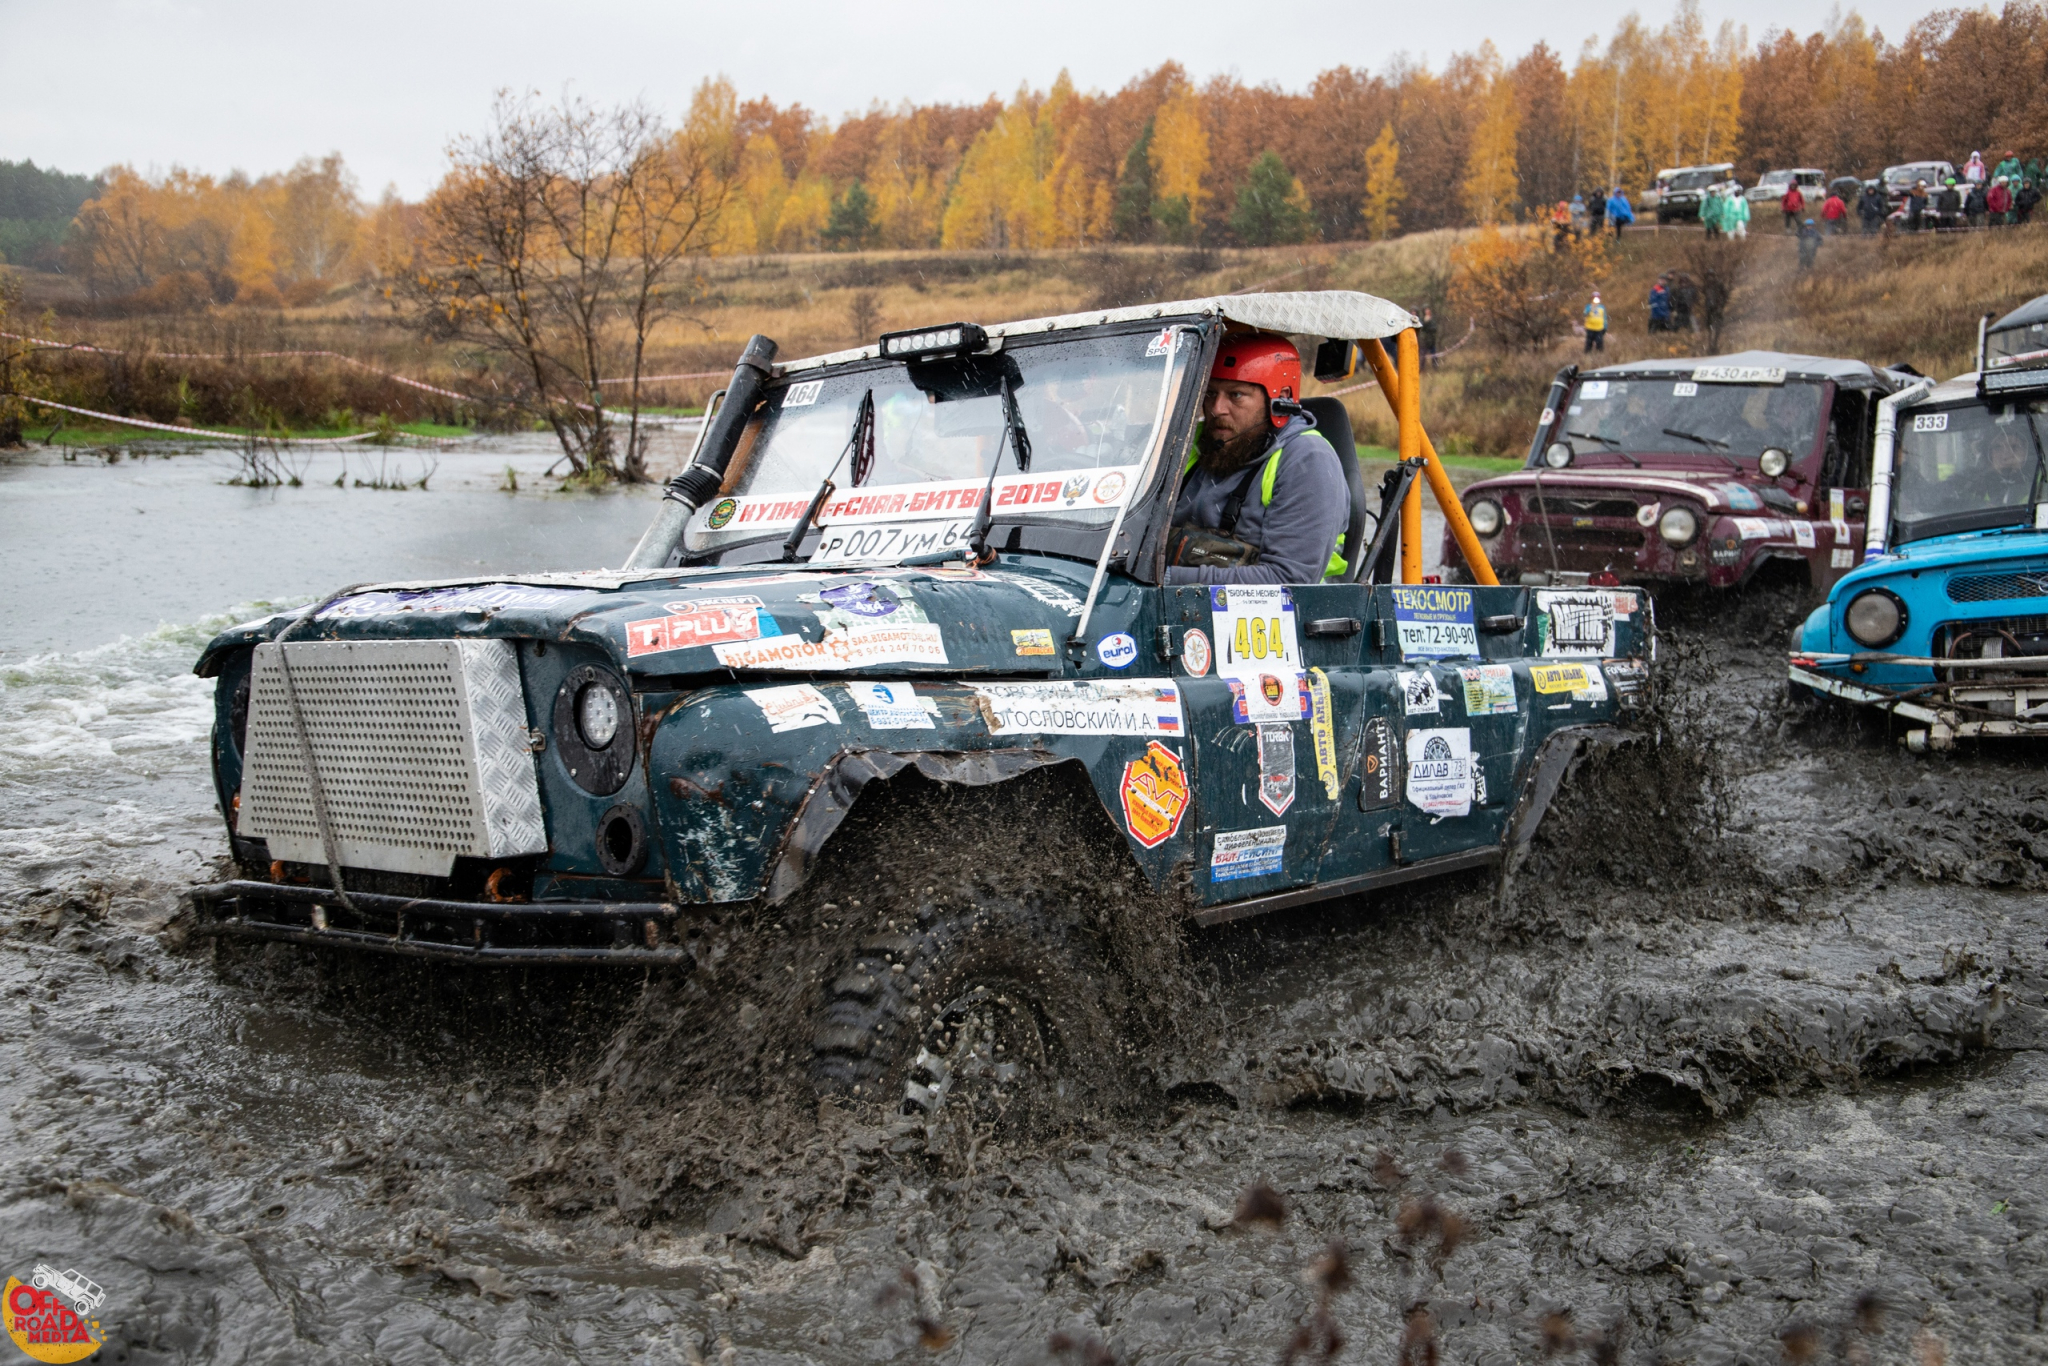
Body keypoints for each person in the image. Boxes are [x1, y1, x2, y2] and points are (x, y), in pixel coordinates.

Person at [1164, 332, 1349, 585]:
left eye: (1236, 395)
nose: (1217, 409)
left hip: (1270, 619)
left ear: (1281, 397)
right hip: (1171, 605)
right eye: (1210, 393)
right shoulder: (1191, 442)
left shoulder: (1308, 459)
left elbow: (1288, 580)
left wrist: (1161, 579)